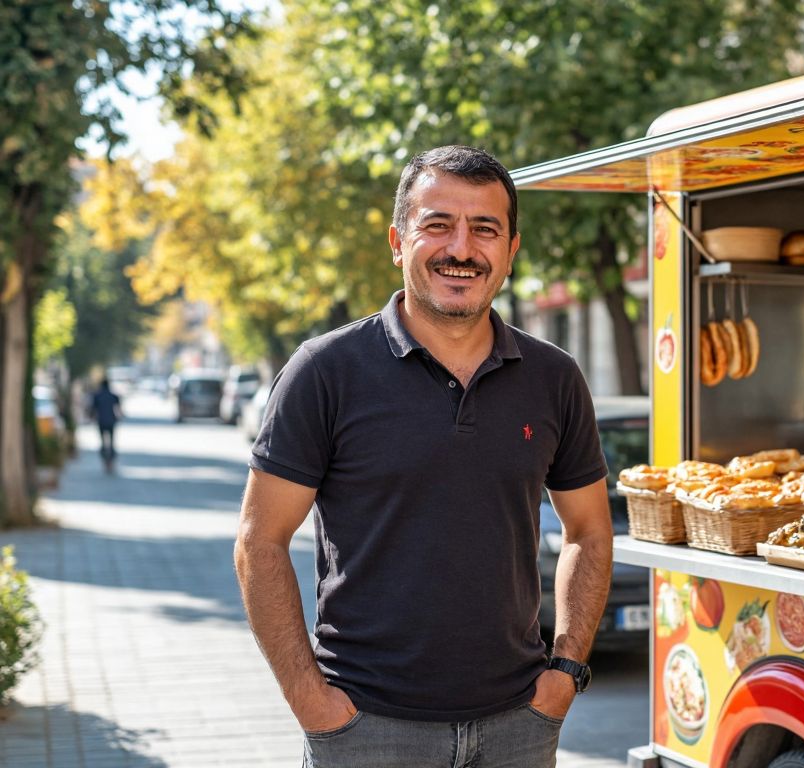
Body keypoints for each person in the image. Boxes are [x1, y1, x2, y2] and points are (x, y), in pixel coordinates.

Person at [234, 146, 613, 767]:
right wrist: (312, 701)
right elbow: (259, 541)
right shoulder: (325, 372)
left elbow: (589, 531)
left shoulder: (554, 378)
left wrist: (565, 672)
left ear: (511, 250)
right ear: (397, 240)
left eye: (484, 229)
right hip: (367, 730)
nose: (461, 249)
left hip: (519, 727)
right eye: (438, 224)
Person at [89, 379, 122, 470]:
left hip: (101, 421)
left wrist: (91, 418)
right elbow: (119, 409)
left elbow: (93, 409)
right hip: (111, 421)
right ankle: (111, 460)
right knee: (111, 442)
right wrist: (119, 417)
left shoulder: (97, 396)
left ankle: (105, 460)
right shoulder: (113, 396)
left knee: (103, 442)